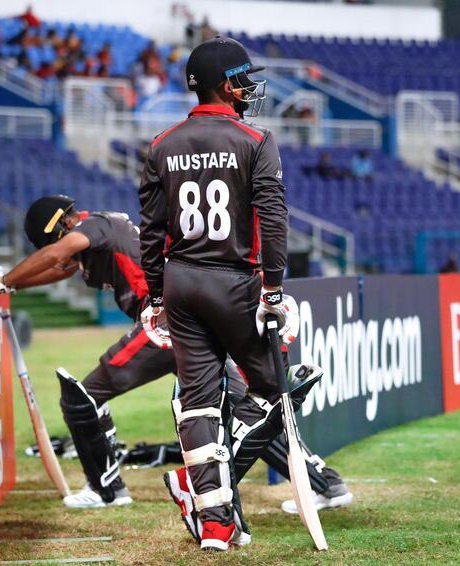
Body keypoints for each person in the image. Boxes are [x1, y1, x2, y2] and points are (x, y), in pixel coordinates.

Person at [0, 196, 352, 519]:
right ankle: (326, 484)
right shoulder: (101, 232)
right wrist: (8, 281)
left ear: (58, 229)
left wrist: (6, 280)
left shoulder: (94, 226)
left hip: (164, 324)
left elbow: (61, 253)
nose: (58, 257)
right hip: (188, 322)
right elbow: (60, 266)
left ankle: (107, 489)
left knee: (82, 398)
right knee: (239, 418)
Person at [138, 36, 324, 551]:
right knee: (270, 391)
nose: (250, 87)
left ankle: (214, 520)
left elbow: (151, 232)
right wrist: (274, 288)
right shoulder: (255, 139)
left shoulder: (160, 144)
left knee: (198, 402)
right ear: (225, 83)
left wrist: (155, 298)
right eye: (244, 78)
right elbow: (273, 217)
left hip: (181, 282)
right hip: (235, 282)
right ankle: (208, 488)